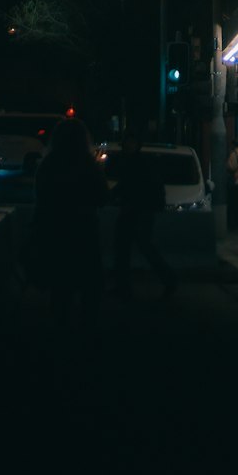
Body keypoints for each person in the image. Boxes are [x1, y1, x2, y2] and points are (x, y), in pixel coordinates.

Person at [31, 116, 107, 328]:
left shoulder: (48, 165)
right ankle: (87, 333)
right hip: (84, 231)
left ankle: (60, 332)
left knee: (60, 288)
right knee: (90, 287)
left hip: (55, 231)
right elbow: (102, 197)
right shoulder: (88, 166)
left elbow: (41, 199)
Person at [111, 132, 178, 300]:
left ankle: (167, 279)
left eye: (132, 143)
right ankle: (124, 286)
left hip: (138, 210)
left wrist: (110, 196)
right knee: (132, 247)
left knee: (133, 247)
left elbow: (127, 186)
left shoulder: (136, 163)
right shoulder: (134, 162)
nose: (129, 146)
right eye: (128, 142)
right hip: (136, 210)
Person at [226, 136, 238, 231]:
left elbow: (231, 167)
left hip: (236, 182)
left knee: (234, 204)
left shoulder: (234, 154)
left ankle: (234, 225)